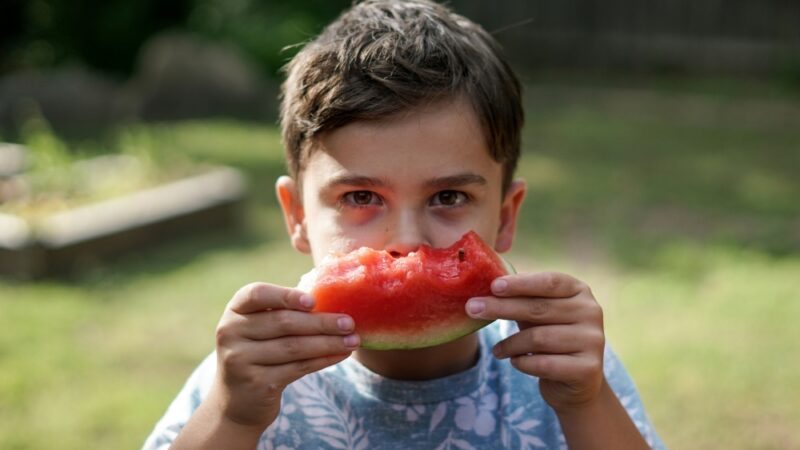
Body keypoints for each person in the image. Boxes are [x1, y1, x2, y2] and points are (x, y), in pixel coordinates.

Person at [143, 1, 665, 448]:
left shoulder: (560, 370)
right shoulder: (246, 380)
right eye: (362, 196)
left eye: (448, 196)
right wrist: (233, 417)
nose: (407, 240)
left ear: (506, 216)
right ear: (298, 217)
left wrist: (587, 403)